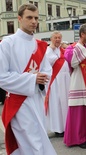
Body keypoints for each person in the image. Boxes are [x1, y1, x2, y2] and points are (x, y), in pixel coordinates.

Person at [0, 3, 57, 155]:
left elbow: (46, 70)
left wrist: (41, 79)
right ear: (19, 18)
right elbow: (1, 77)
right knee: (31, 141)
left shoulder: (39, 45)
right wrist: (32, 79)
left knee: (39, 136)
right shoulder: (7, 43)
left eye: (36, 18)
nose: (34, 21)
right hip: (19, 102)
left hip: (37, 99)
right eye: (29, 17)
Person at [45, 31, 70, 137]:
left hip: (66, 80)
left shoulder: (63, 51)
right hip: (55, 81)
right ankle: (58, 128)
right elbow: (45, 66)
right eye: (55, 37)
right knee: (56, 103)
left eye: (59, 37)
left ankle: (66, 126)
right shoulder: (47, 51)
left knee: (65, 103)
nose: (57, 39)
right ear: (51, 39)